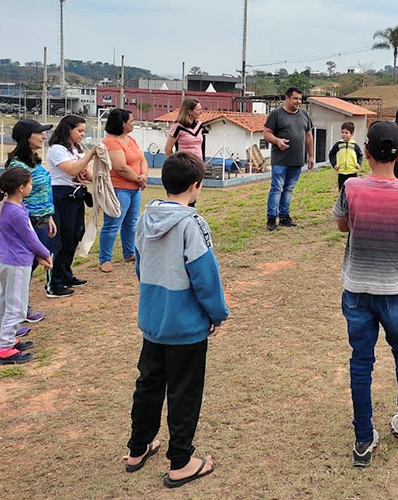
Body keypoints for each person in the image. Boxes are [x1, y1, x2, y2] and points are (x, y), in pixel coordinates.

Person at [124, 151, 229, 488]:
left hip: (153, 320)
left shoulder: (145, 218)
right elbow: (204, 276)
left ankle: (138, 448)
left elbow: (141, 266)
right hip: (185, 327)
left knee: (149, 384)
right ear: (196, 185)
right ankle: (181, 462)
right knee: (184, 392)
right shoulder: (192, 224)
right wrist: (217, 313)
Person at [331, 121, 398, 467]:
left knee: (361, 361)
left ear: (367, 153)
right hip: (394, 290)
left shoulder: (351, 187)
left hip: (357, 289)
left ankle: (363, 437)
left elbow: (343, 225)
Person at [0, 167, 53, 365]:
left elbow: (24, 238)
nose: (32, 186)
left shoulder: (12, 206)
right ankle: (5, 349)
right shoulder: (16, 212)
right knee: (16, 307)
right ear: (21, 188)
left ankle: (6, 339)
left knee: (5, 303)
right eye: (30, 183)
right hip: (16, 264)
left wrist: (38, 255)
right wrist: (45, 253)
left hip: (7, 262)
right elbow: (30, 238)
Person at [5, 119, 63, 303]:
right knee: (24, 267)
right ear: (26, 137)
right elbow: (17, 197)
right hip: (28, 221)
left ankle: (20, 305)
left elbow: (44, 191)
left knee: (30, 266)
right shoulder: (18, 166)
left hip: (41, 220)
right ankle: (17, 307)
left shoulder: (33, 162)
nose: (43, 137)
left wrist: (48, 216)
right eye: (39, 133)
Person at [46, 115, 96, 295]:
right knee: (61, 238)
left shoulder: (77, 149)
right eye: (79, 131)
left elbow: (85, 172)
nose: (83, 134)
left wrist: (100, 178)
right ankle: (54, 283)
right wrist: (91, 155)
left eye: (84, 131)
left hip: (76, 195)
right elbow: (72, 169)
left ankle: (66, 274)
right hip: (61, 195)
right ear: (68, 130)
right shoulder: (56, 149)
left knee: (74, 236)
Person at [99, 108, 147, 273]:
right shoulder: (111, 142)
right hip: (119, 188)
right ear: (122, 123)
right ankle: (105, 259)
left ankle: (129, 252)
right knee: (112, 224)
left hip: (134, 189)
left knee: (131, 223)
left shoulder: (130, 139)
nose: (133, 123)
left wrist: (144, 175)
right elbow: (120, 167)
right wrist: (138, 179)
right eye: (131, 121)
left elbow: (142, 159)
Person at [264, 86, 315, 231]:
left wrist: (311, 155)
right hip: (280, 160)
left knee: (289, 189)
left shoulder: (304, 114)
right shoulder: (276, 114)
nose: (298, 101)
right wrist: (277, 141)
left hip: (297, 160)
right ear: (287, 98)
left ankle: (284, 216)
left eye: (300, 99)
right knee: (277, 188)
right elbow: (266, 133)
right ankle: (271, 218)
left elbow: (309, 135)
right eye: (295, 98)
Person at [328, 121, 363, 190]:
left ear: (352, 134)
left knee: (352, 190)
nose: (344, 134)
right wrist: (334, 164)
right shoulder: (338, 144)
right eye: (342, 132)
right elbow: (331, 155)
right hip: (341, 172)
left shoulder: (354, 145)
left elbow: (360, 155)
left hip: (352, 172)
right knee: (342, 190)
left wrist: (358, 163)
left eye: (346, 133)